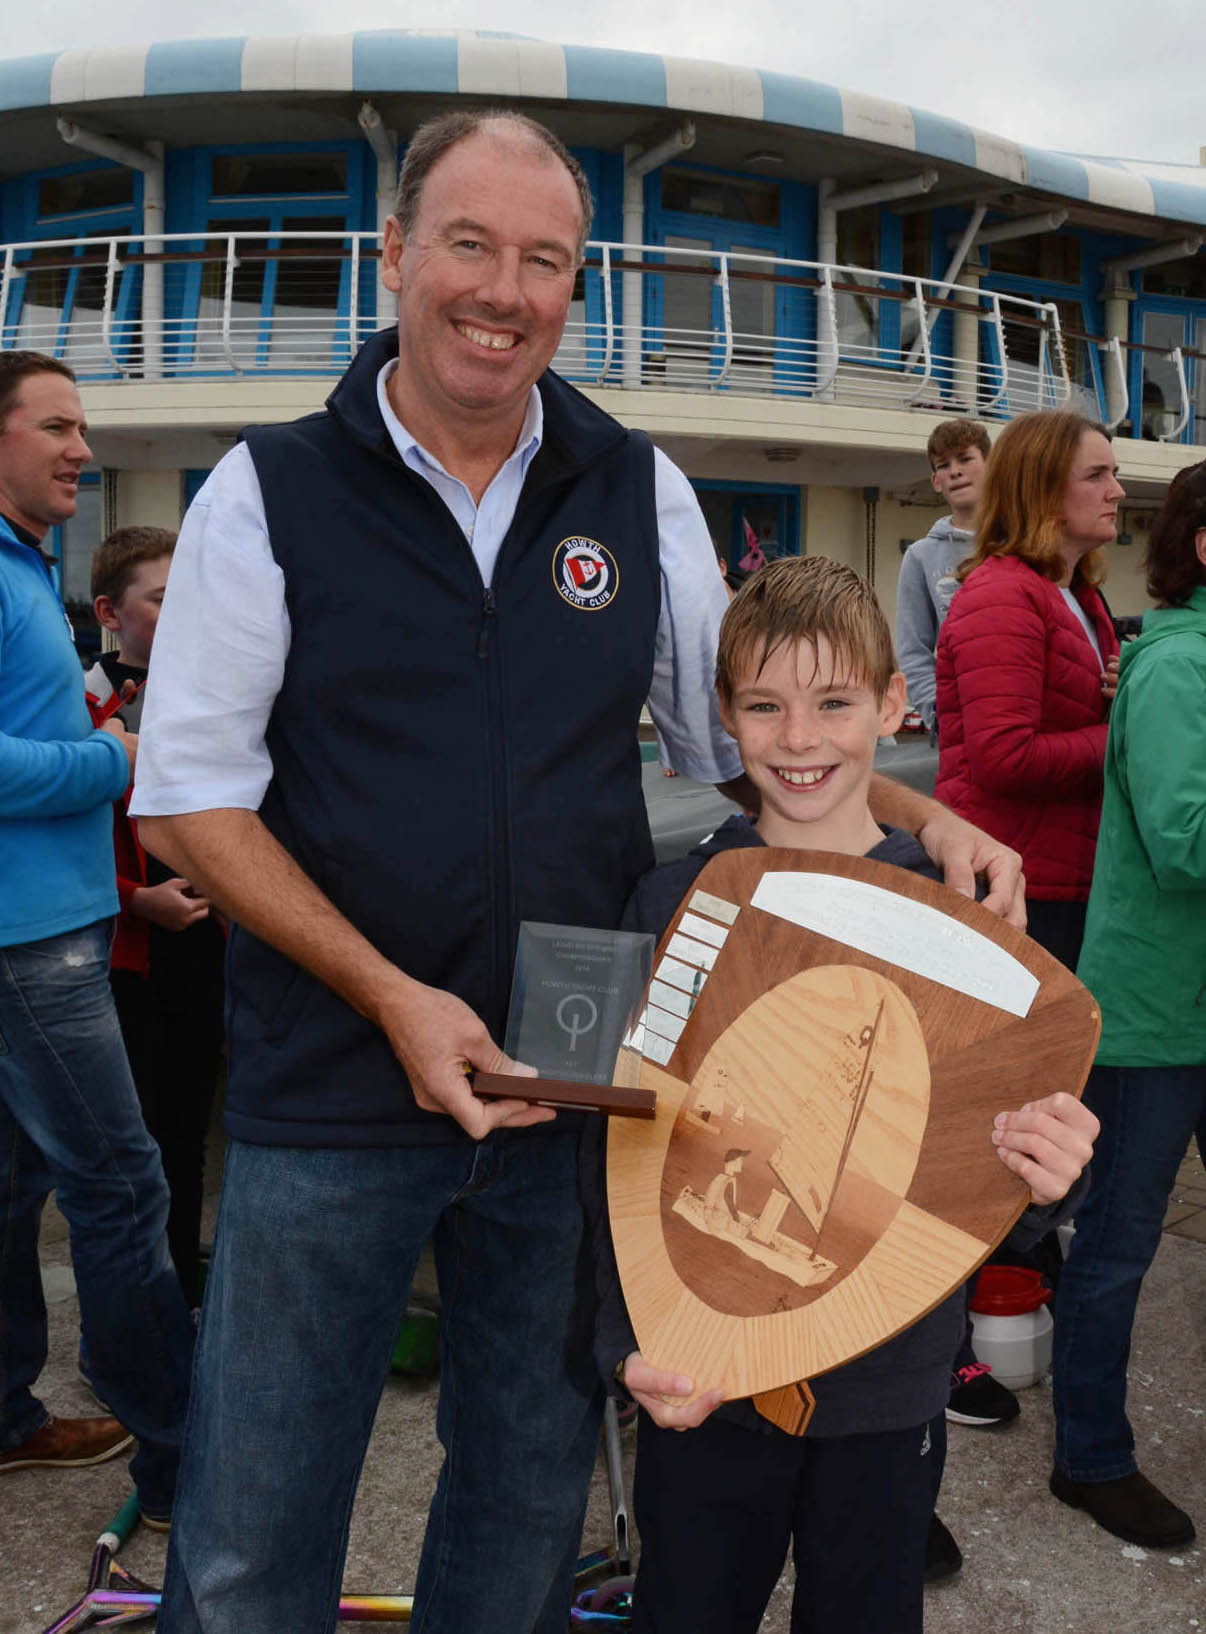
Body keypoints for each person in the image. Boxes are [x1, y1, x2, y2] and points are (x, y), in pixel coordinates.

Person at [130, 110, 1025, 1634]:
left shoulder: (638, 486)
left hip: (578, 1086)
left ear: (574, 285)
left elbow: (732, 734)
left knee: (528, 1499)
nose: (504, 289)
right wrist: (393, 996)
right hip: (332, 1088)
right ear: (397, 253)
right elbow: (189, 805)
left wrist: (911, 810)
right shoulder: (264, 493)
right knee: (252, 1524)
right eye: (469, 245)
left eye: (544, 260)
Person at [583, 556, 1097, 1634]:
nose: (800, 737)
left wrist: (1044, 1179)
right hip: (703, 1365)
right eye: (764, 705)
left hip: (887, 1380)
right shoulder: (676, 899)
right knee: (687, 1607)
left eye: (834, 702)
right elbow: (613, 1153)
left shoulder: (963, 915)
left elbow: (982, 1160)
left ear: (893, 703)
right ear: (724, 716)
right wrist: (618, 1342)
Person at [0, 352, 193, 1523]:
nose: (82, 446)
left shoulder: (30, 565)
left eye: (85, 425)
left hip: (47, 926)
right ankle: (180, 1457)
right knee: (122, 1185)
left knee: (13, 1187)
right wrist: (107, 761)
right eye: (57, 426)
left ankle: (10, 1416)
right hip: (35, 944)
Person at [1050, 462, 1206, 1550]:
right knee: (1116, 1243)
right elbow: (1185, 837)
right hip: (1156, 1015)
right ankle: (1089, 1456)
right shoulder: (1175, 668)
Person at [86, 526, 225, 1307]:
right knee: (128, 1146)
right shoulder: (85, 701)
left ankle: (184, 1300)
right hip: (123, 957)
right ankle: (135, 1314)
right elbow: (51, 844)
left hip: (204, 945)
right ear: (111, 611)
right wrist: (134, 900)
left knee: (187, 1137)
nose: (184, 615)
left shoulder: (216, 693)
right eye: (164, 600)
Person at [935, 411, 1123, 973]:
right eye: (1096, 476)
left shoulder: (1076, 594)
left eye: (1114, 473)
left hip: (1057, 875)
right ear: (1040, 487)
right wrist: (1121, 734)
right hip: (1014, 886)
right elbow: (1005, 757)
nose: (1117, 490)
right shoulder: (1005, 595)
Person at [895, 418, 990, 734]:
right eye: (944, 465)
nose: (955, 470)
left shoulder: (1025, 543)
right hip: (959, 723)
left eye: (965, 459)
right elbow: (912, 648)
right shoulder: (920, 556)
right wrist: (938, 713)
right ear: (936, 481)